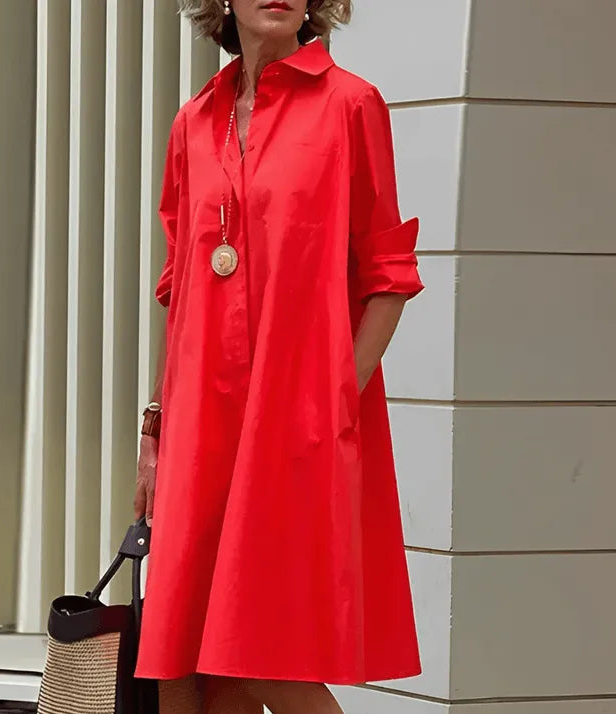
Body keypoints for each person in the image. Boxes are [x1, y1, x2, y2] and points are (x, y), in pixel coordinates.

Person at [134, 1, 423, 712]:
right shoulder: (192, 123)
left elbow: (388, 274)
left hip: (295, 421)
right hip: (200, 422)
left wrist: (336, 397)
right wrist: (156, 428)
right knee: (186, 667)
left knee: (265, 654)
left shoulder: (350, 105)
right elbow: (182, 290)